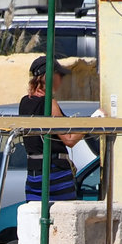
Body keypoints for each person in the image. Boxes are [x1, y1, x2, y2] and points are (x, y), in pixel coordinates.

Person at [20, 56, 82, 202]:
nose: (60, 80)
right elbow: (69, 139)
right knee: (63, 221)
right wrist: (93, 122)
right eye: (58, 75)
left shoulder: (24, 102)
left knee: (37, 222)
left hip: (33, 176)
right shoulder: (49, 103)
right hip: (55, 175)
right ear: (49, 77)